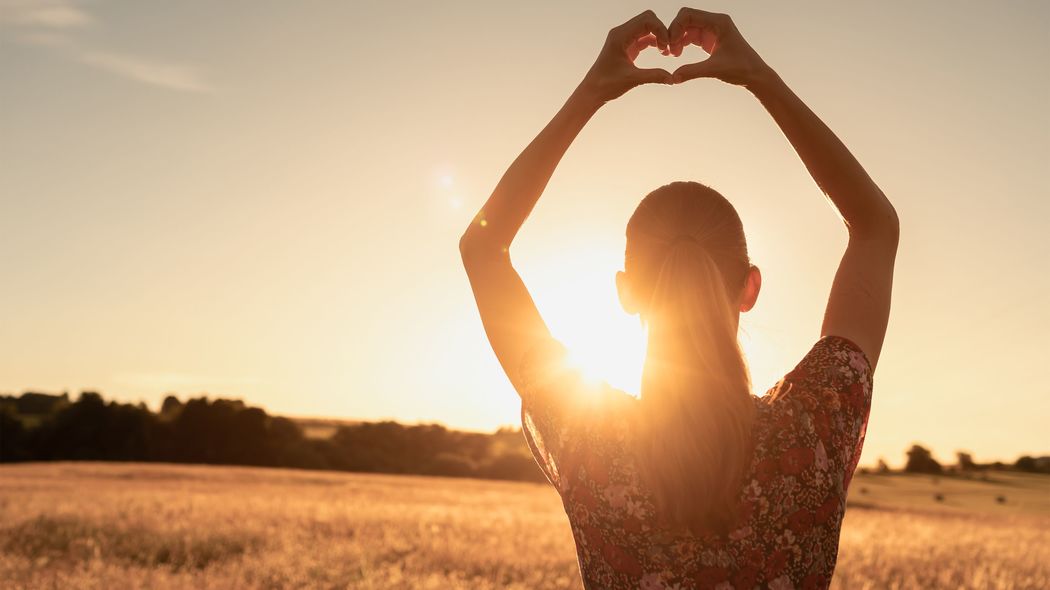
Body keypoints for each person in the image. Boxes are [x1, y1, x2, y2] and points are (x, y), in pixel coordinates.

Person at [459, 8, 899, 589]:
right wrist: (758, 76)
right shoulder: (814, 429)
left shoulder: (589, 437)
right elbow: (875, 226)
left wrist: (592, 93)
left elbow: (483, 249)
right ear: (750, 288)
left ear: (625, 293)